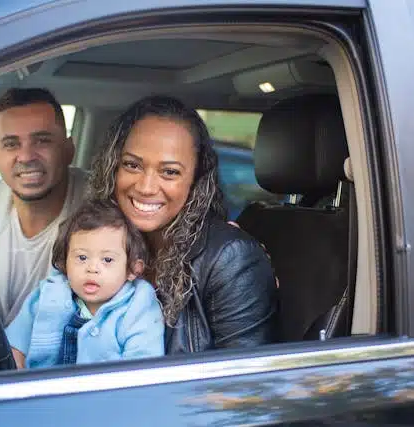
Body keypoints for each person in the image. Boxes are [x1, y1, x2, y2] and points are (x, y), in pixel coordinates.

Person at [87, 95, 277, 353]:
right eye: (132, 165)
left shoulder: (230, 259)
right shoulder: (97, 240)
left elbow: (244, 384)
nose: (146, 187)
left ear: (196, 180)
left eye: (170, 172)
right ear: (113, 168)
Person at [0, 88, 87, 326]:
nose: (26, 156)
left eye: (42, 140)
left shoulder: (101, 205)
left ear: (69, 150)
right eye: (11, 144)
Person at [5, 199, 164, 369]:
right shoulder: (49, 293)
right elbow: (15, 348)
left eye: (107, 260)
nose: (92, 268)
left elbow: (142, 372)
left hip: (108, 393)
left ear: (132, 269)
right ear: (65, 261)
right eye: (82, 258)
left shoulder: (139, 308)